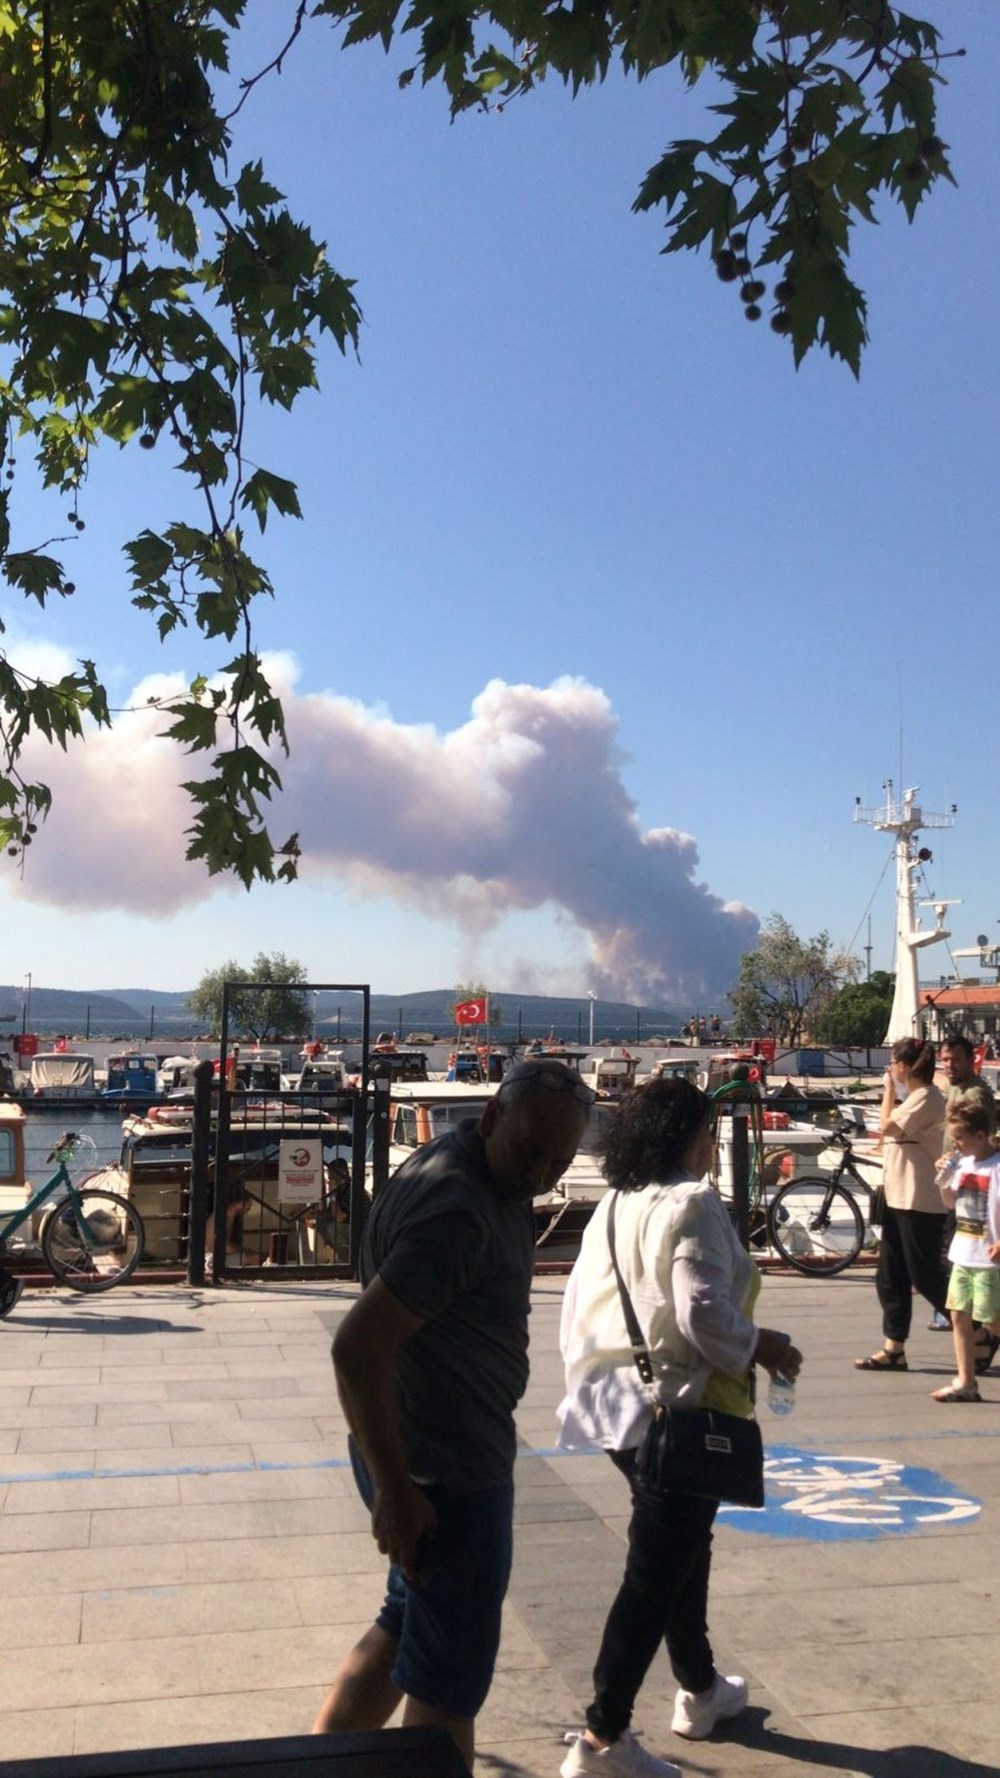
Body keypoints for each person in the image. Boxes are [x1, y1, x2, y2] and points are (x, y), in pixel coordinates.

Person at [312, 1059, 592, 1768]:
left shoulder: (450, 1156)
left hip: (417, 1453)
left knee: (406, 1623)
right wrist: (399, 1491)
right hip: (443, 1475)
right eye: (531, 1151)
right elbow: (356, 1348)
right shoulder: (460, 1211)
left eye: (559, 1161)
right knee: (446, 1692)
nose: (541, 1175)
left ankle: (314, 1764)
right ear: (494, 1118)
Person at [558, 1077, 802, 1778]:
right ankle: (602, 1739)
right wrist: (769, 1346)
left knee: (680, 1549)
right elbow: (703, 1313)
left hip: (611, 1407)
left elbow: (578, 1305)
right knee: (655, 1572)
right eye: (710, 1131)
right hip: (679, 1406)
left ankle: (700, 1691)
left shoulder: (614, 1202)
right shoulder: (692, 1203)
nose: (715, 1143)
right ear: (688, 1135)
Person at [855, 1036, 947, 1372]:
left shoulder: (925, 1098)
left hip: (919, 1199)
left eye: (893, 1064)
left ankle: (982, 1328)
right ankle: (894, 1347)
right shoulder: (918, 1098)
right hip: (898, 1196)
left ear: (904, 1067)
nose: (890, 1069)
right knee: (890, 1274)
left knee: (925, 1276)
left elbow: (886, 1126)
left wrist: (889, 1090)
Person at [932, 1102, 1000, 1402]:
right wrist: (944, 1177)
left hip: (989, 1257)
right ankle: (965, 1380)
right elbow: (949, 1203)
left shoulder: (996, 1166)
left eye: (960, 1138)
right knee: (959, 1315)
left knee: (991, 1320)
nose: (956, 1144)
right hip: (963, 1251)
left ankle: (966, 1380)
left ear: (981, 1135)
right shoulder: (964, 1165)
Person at [928, 1036, 996, 1334]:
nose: (949, 1064)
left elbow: (985, 1138)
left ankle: (977, 1328)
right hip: (957, 1176)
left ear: (971, 1061)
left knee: (952, 1252)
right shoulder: (953, 1087)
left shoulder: (977, 1094)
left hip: (972, 1183)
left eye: (955, 1059)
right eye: (945, 1059)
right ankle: (966, 1324)